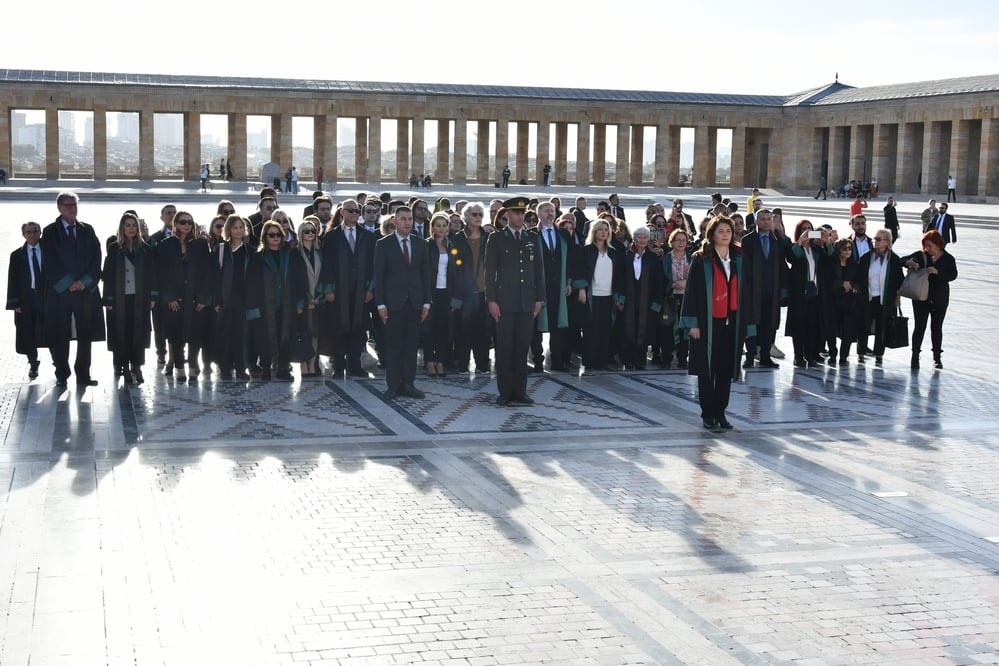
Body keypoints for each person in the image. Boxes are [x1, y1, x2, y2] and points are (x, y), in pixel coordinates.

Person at [680, 215, 754, 431]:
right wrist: (692, 323)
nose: (725, 235)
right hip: (707, 322)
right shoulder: (701, 258)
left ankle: (721, 412)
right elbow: (691, 292)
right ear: (712, 234)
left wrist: (747, 326)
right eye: (721, 231)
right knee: (707, 369)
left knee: (725, 369)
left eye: (728, 231)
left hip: (732, 321)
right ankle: (707, 414)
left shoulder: (739, 258)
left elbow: (746, 293)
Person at [40, 192, 105, 388]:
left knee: (85, 333)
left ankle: (83, 374)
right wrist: (68, 283)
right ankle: (62, 373)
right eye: (68, 205)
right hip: (61, 293)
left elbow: (96, 258)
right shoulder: (50, 232)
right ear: (59, 208)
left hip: (85, 292)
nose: (72, 208)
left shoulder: (87, 230)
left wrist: (84, 282)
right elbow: (49, 262)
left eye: (74, 204)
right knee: (61, 333)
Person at [484, 197, 544, 406]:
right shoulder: (497, 238)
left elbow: (539, 272)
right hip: (505, 302)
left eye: (522, 213)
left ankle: (520, 391)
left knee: (521, 347)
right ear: (507, 215)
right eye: (516, 213)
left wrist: (539, 299)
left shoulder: (531, 238)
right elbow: (489, 272)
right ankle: (505, 391)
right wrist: (491, 300)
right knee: (505, 348)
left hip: (526, 302)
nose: (520, 216)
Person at [374, 206, 431, 400]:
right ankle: (392, 385)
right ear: (395, 222)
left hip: (415, 303)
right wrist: (380, 304)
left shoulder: (421, 244)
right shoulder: (383, 244)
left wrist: (426, 303)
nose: (407, 222)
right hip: (392, 304)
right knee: (393, 346)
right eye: (403, 219)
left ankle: (408, 383)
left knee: (411, 346)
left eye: (410, 219)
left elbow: (426, 275)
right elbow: (379, 277)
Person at [317, 199, 375, 378]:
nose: (354, 214)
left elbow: (373, 264)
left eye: (357, 211)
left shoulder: (366, 236)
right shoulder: (332, 236)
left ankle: (355, 365)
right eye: (350, 211)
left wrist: (370, 288)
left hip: (360, 291)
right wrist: (328, 290)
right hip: (339, 290)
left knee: (358, 329)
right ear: (342, 212)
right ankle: (339, 365)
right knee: (339, 328)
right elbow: (327, 265)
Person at [245, 220, 307, 381]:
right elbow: (251, 284)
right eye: (271, 234)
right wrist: (252, 308)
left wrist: (300, 302)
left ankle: (283, 368)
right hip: (264, 305)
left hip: (287, 304)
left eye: (278, 234)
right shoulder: (258, 257)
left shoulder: (291, 255)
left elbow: (301, 280)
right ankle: (265, 367)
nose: (275, 237)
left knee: (286, 336)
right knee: (264, 336)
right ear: (265, 236)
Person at [156, 211, 213, 381]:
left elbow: (208, 273)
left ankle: (193, 366)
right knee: (175, 335)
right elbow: (160, 273)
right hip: (175, 299)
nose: (186, 225)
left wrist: (204, 298)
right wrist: (169, 297)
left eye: (189, 222)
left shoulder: (200, 245)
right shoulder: (166, 245)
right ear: (176, 224)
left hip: (195, 298)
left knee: (195, 334)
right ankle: (179, 366)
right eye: (182, 222)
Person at [102, 212, 157, 384]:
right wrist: (108, 299)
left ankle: (137, 366)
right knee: (122, 333)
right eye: (128, 225)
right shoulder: (114, 248)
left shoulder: (146, 249)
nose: (131, 228)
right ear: (122, 228)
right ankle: (124, 366)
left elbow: (153, 275)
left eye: (134, 225)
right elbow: (108, 275)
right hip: (120, 298)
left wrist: (153, 296)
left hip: (140, 298)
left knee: (139, 333)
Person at [903, 230, 958, 369]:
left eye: (930, 245)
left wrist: (938, 272)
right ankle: (915, 356)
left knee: (936, 328)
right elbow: (901, 260)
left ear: (938, 245)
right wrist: (909, 263)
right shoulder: (921, 256)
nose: (927, 248)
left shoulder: (948, 258)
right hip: (921, 297)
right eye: (925, 245)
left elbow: (953, 274)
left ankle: (937, 357)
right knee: (919, 326)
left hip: (940, 298)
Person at [450, 202, 493, 374]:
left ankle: (482, 365)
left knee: (483, 331)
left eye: (480, 215)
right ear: (466, 217)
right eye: (474, 214)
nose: (478, 218)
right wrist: (455, 298)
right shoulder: (457, 239)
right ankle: (462, 365)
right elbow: (453, 270)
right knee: (463, 331)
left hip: (484, 292)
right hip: (465, 293)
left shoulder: (489, 238)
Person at [786, 220, 835, 368]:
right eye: (804, 229)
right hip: (799, 294)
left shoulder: (816, 250)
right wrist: (800, 242)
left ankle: (810, 355)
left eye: (810, 229)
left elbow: (830, 259)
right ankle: (798, 356)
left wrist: (827, 243)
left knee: (812, 325)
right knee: (799, 325)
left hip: (815, 293)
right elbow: (791, 258)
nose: (807, 232)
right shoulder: (795, 248)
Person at [616, 227, 665, 370]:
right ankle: (628, 360)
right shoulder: (626, 256)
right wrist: (619, 299)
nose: (642, 240)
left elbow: (659, 282)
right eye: (639, 237)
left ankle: (640, 360)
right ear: (635, 239)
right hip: (629, 299)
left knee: (643, 330)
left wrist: (657, 303)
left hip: (647, 300)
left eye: (645, 237)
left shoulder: (653, 258)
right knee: (627, 329)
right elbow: (619, 279)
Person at [854, 229, 904, 365]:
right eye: (875, 239)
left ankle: (879, 353)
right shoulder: (866, 257)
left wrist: (897, 297)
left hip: (885, 300)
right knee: (863, 325)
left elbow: (900, 280)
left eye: (879, 239)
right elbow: (858, 276)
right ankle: (861, 352)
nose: (875, 241)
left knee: (882, 326)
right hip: (868, 298)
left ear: (887, 242)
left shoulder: (893, 259)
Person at [7, 222, 49, 379]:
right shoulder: (17, 255)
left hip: (46, 296)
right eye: (29, 232)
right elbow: (12, 280)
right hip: (26, 298)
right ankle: (33, 363)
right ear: (23, 234)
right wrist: (15, 303)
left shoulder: (48, 252)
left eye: (35, 231)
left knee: (50, 329)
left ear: (40, 233)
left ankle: (58, 364)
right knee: (27, 331)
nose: (32, 234)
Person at [533, 202, 571, 372]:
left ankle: (557, 361)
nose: (550, 213)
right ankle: (538, 362)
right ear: (539, 214)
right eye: (546, 210)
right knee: (536, 328)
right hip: (539, 287)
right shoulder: (532, 234)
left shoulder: (563, 233)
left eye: (552, 210)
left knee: (558, 326)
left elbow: (571, 259)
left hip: (559, 287)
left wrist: (569, 282)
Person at [214, 215, 252, 381]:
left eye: (241, 227)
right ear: (229, 229)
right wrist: (216, 300)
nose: (239, 231)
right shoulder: (221, 250)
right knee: (225, 334)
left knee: (242, 335)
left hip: (243, 299)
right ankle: (225, 368)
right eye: (235, 227)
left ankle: (242, 368)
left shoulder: (250, 251)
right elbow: (215, 276)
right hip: (225, 299)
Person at [579, 217, 617, 371]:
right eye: (600, 229)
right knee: (590, 329)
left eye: (606, 229)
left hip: (608, 296)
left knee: (605, 329)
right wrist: (581, 289)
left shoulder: (613, 252)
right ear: (594, 232)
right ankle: (589, 361)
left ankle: (601, 360)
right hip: (591, 295)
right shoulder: (586, 250)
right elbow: (580, 271)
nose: (603, 232)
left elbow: (619, 276)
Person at [423, 213, 457, 377]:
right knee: (429, 328)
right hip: (431, 291)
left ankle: (440, 361)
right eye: (438, 225)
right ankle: (429, 362)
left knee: (443, 328)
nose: (441, 228)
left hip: (446, 292)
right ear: (432, 227)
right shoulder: (426, 245)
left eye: (444, 225)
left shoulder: (451, 246)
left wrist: (455, 299)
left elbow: (456, 272)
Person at [827, 238, 862, 366]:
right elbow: (827, 280)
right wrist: (841, 284)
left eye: (850, 248)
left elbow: (859, 282)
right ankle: (832, 353)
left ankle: (844, 356)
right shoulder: (831, 263)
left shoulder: (854, 265)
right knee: (832, 330)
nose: (847, 251)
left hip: (849, 302)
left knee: (847, 330)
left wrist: (853, 286)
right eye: (844, 249)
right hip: (833, 301)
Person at [661, 228, 692, 369]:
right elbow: (660, 279)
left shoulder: (692, 258)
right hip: (670, 298)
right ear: (671, 242)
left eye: (683, 240)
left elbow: (697, 279)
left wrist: (686, 283)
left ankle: (683, 358)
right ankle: (666, 357)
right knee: (668, 329)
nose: (681, 243)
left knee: (685, 329)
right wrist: (672, 284)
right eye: (678, 240)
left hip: (687, 297)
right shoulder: (666, 259)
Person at [296, 217, 323, 378]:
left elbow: (324, 274)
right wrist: (304, 298)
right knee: (302, 333)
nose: (310, 233)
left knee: (315, 333)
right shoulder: (295, 253)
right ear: (300, 233)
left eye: (312, 231)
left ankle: (312, 364)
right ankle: (303, 365)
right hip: (302, 300)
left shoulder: (319, 252)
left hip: (318, 300)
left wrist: (319, 296)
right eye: (306, 231)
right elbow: (295, 279)